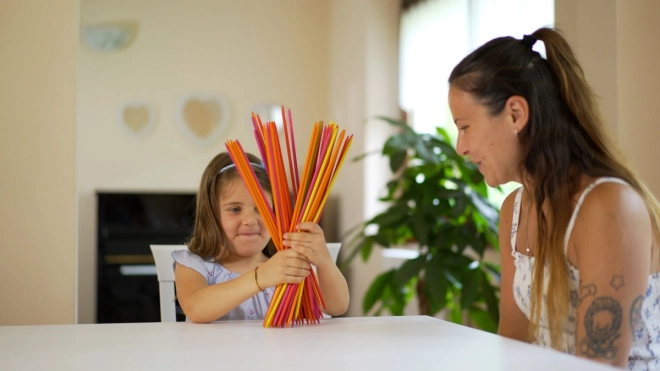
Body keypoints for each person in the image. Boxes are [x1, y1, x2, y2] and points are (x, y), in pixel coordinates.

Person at [447, 28, 660, 369]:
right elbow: (512, 349)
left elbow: (601, 367)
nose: (462, 148)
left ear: (516, 114)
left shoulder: (610, 208)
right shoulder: (512, 211)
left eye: (465, 126)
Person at [173, 152, 349, 323]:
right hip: (218, 353)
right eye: (235, 209)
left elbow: (337, 307)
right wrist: (260, 278)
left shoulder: (289, 263)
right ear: (211, 214)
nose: (250, 220)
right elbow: (196, 308)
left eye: (262, 209)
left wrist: (325, 261)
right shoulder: (195, 264)